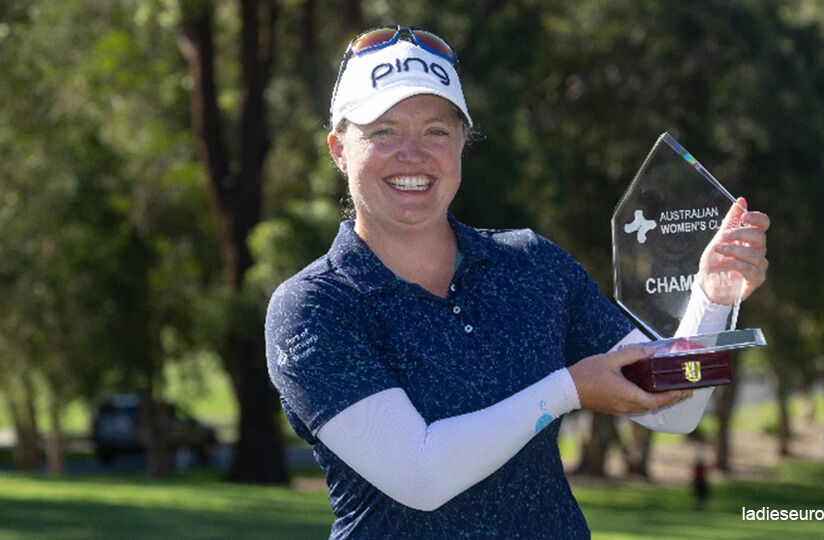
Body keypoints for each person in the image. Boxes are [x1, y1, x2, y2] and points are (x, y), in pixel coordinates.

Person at [266, 25, 770, 539]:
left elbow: (674, 407)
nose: (413, 155)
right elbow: (421, 476)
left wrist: (712, 297)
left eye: (437, 131)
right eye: (384, 131)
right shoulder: (313, 308)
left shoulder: (531, 264)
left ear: (463, 142)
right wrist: (568, 390)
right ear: (338, 149)